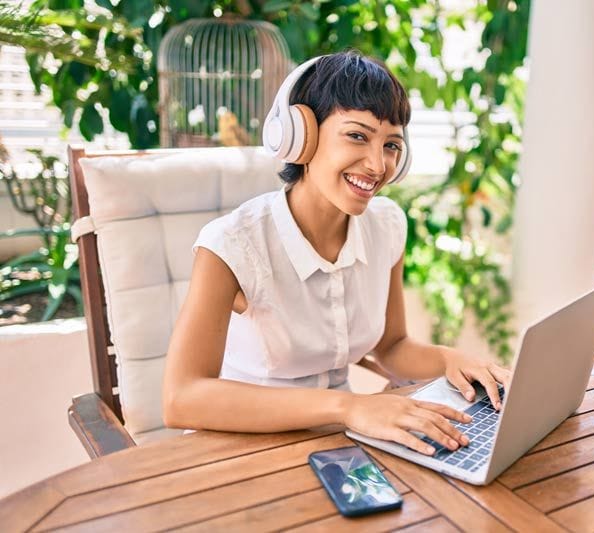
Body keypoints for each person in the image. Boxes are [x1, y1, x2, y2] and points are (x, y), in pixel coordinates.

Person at [162, 50, 510, 456]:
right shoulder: (231, 244)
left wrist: (452, 359)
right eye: (358, 136)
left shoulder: (387, 226)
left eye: (392, 145)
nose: (378, 165)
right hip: (242, 445)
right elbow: (182, 398)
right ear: (300, 134)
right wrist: (350, 406)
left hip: (342, 441)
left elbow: (392, 346)